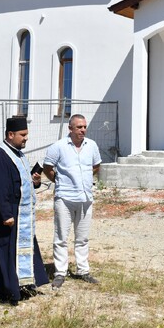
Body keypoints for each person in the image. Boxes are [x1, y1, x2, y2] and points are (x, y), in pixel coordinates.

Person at [0, 116, 50, 304]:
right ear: (10, 134)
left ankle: (21, 285)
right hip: (9, 214)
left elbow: (20, 181)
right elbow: (0, 188)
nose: (26, 138)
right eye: (22, 135)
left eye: (26, 134)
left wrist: (35, 182)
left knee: (21, 250)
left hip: (22, 213)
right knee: (5, 251)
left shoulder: (18, 154)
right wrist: (6, 214)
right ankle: (3, 291)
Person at [43, 114, 101, 289]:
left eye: (84, 127)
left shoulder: (91, 145)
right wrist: (59, 181)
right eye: (79, 127)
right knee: (61, 237)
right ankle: (60, 272)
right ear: (70, 128)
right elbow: (47, 167)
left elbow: (96, 165)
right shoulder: (58, 147)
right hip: (65, 198)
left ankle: (83, 270)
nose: (83, 130)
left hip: (85, 197)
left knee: (82, 237)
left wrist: (85, 180)